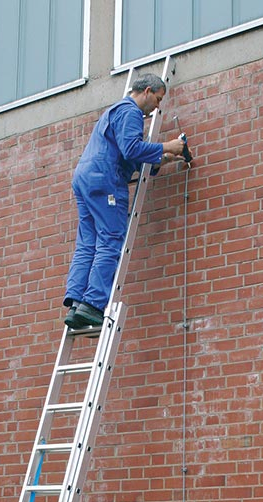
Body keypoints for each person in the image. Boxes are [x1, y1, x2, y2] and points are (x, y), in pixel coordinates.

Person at [63, 73, 187, 330]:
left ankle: (76, 301)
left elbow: (127, 156)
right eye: (158, 99)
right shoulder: (131, 112)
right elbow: (132, 148)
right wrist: (167, 145)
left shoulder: (114, 112)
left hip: (86, 178)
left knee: (88, 242)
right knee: (110, 239)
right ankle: (94, 304)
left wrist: (163, 159)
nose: (158, 106)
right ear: (147, 91)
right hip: (105, 180)